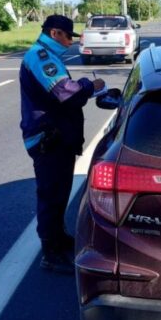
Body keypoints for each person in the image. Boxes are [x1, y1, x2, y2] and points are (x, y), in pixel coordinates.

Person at [20, 15, 105, 274]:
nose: (70, 42)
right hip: (48, 139)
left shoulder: (47, 54)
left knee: (59, 195)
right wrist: (92, 85)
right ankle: (51, 253)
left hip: (58, 138)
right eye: (68, 36)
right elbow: (66, 93)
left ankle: (59, 237)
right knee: (51, 195)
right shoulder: (41, 57)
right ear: (55, 33)